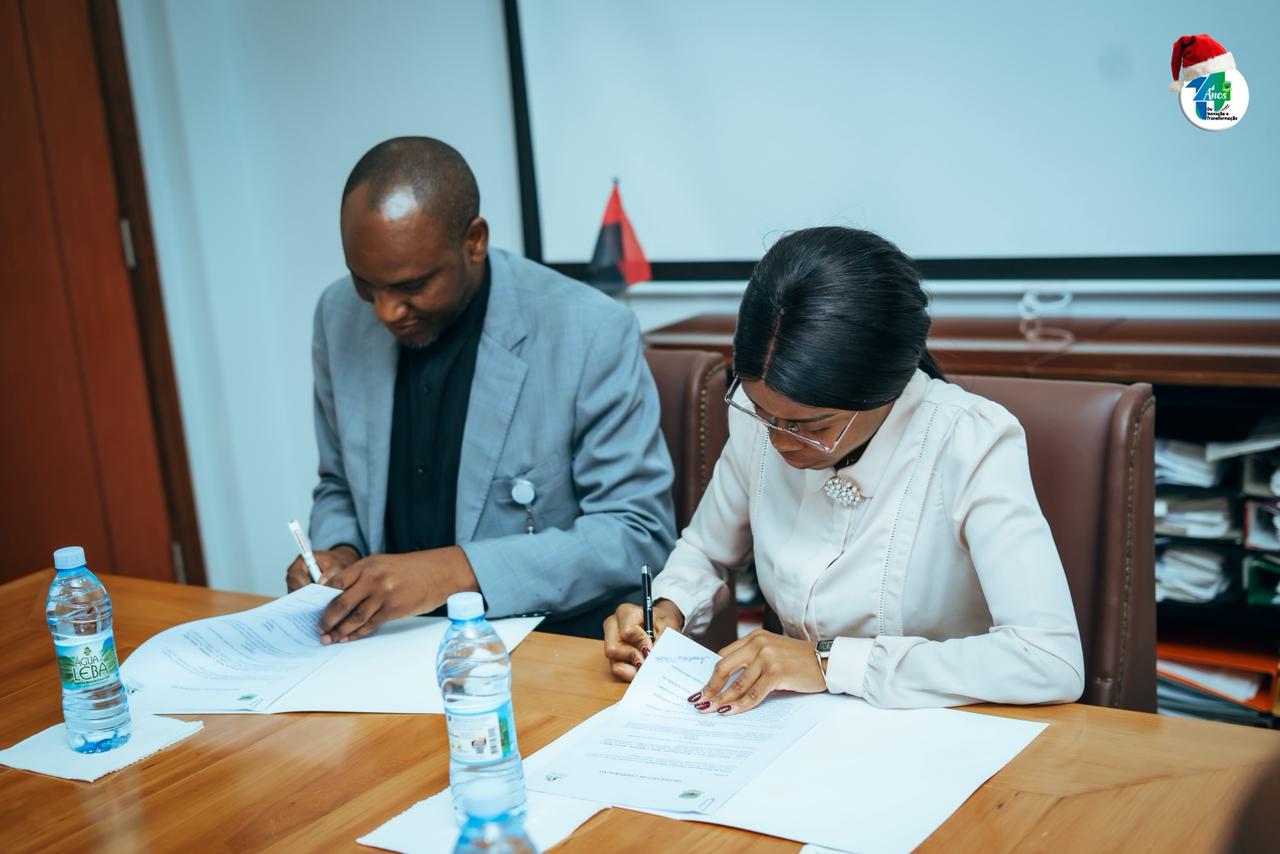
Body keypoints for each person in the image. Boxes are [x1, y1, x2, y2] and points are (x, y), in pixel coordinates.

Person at [604, 226, 1085, 712]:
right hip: (793, 724)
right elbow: (707, 552)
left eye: (810, 426)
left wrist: (828, 662)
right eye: (763, 413)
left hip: (942, 727)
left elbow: (1047, 658)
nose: (778, 440)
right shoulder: (758, 421)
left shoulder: (970, 441)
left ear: (886, 389)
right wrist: (668, 607)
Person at [287, 137, 675, 641]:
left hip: (538, 642)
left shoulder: (589, 330)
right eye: (365, 283)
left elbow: (636, 534)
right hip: (380, 641)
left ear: (474, 240)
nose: (385, 311)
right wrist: (339, 554)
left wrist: (456, 571)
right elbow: (340, 483)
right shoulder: (337, 314)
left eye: (411, 286)